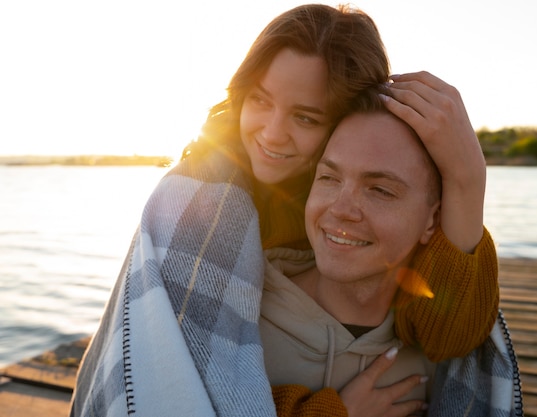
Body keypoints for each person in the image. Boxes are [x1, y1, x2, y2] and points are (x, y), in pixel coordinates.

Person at [70, 4, 500, 417]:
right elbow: (178, 383)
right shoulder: (197, 203)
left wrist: (467, 178)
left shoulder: (374, 216)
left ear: (346, 123)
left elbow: (452, 338)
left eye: (306, 118)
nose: (272, 135)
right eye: (259, 100)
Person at [261, 88, 523, 417]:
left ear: (432, 221)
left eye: (380, 190)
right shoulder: (238, 319)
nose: (341, 209)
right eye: (329, 177)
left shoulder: (437, 356)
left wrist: (468, 179)